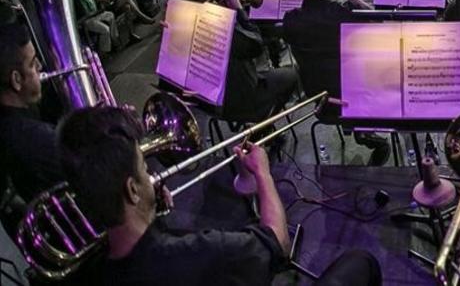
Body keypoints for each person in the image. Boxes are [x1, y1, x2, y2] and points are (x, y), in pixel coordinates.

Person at [57, 105, 382, 285]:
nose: (151, 175)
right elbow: (277, 241)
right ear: (131, 190)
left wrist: (150, 214)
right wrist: (263, 173)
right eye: (144, 167)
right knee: (361, 263)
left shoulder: (87, 272)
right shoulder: (202, 252)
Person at [281, 0, 390, 165]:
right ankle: (363, 131)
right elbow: (379, 23)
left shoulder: (290, 20)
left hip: (321, 101)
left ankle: (358, 129)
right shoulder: (343, 15)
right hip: (356, 99)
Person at [0, 22, 64, 201]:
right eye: (32, 63)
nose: (40, 66)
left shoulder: (11, 122)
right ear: (16, 79)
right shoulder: (33, 137)